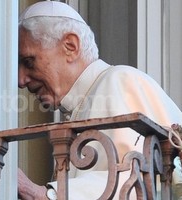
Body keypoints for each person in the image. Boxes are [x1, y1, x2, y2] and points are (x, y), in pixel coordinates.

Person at [17, 1, 182, 199]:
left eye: (28, 62)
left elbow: (133, 181)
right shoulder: (78, 107)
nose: (21, 80)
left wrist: (39, 194)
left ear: (71, 46)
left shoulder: (120, 80)